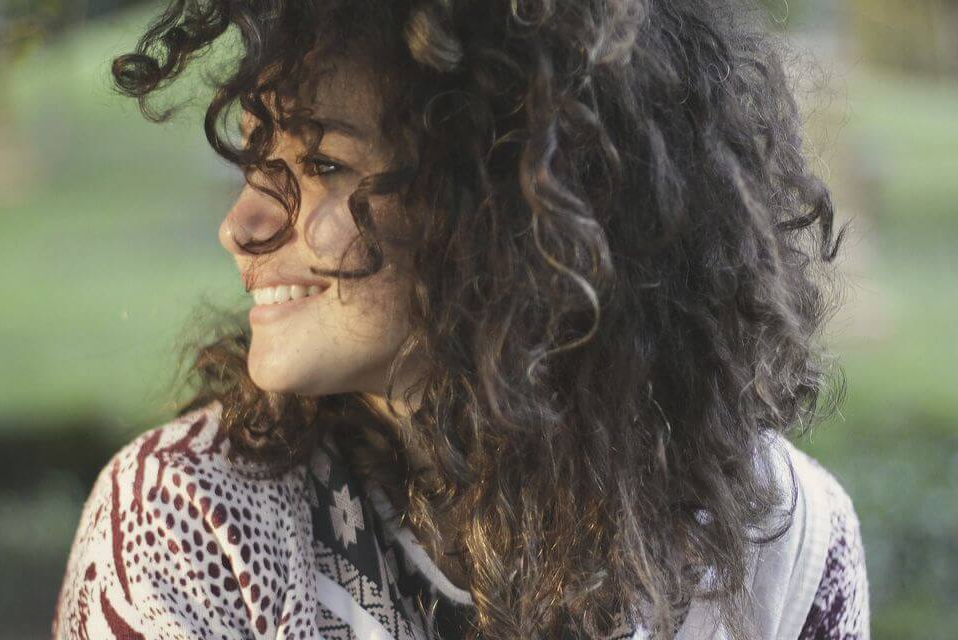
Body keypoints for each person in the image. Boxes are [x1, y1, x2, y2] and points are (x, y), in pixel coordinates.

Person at [51, 1, 870, 639]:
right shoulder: (183, 522)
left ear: (516, 207)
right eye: (255, 162)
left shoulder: (782, 541)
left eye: (322, 165)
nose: (242, 226)